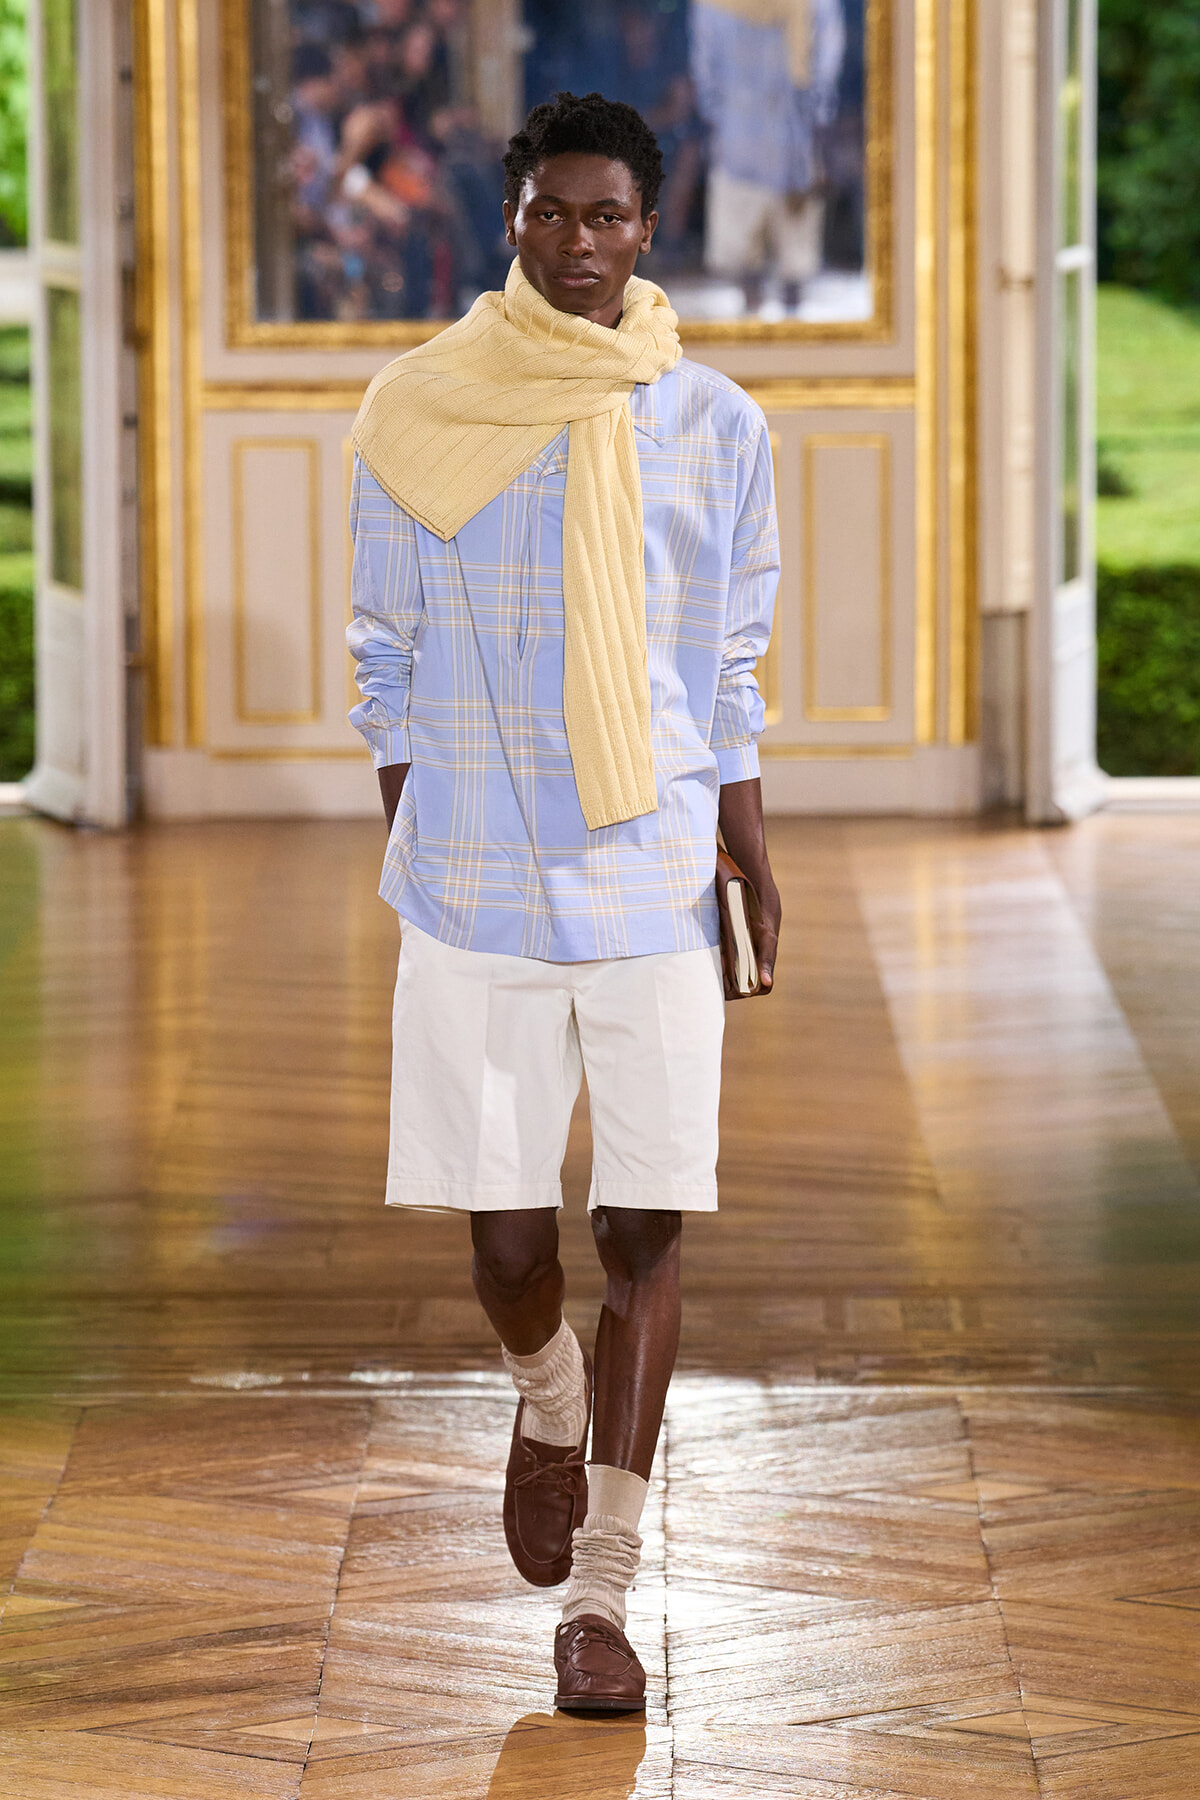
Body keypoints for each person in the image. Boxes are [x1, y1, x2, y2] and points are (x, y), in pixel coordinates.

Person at [347, 90, 780, 1712]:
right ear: (511, 220)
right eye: (552, 212)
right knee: (510, 1237)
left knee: (645, 1223)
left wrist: (745, 836)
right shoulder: (423, 407)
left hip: (655, 867)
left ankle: (603, 1594)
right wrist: (425, 841)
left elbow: (726, 664)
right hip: (478, 875)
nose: (580, 242)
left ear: (647, 230)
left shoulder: (715, 424)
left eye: (609, 216)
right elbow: (385, 656)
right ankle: (543, 1389)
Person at [691, 0, 845, 314]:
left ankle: (769, 326)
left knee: (777, 268)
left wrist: (719, 118)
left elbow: (706, 72)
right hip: (779, 141)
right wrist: (817, 118)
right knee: (782, 268)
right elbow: (825, 65)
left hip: (757, 141)